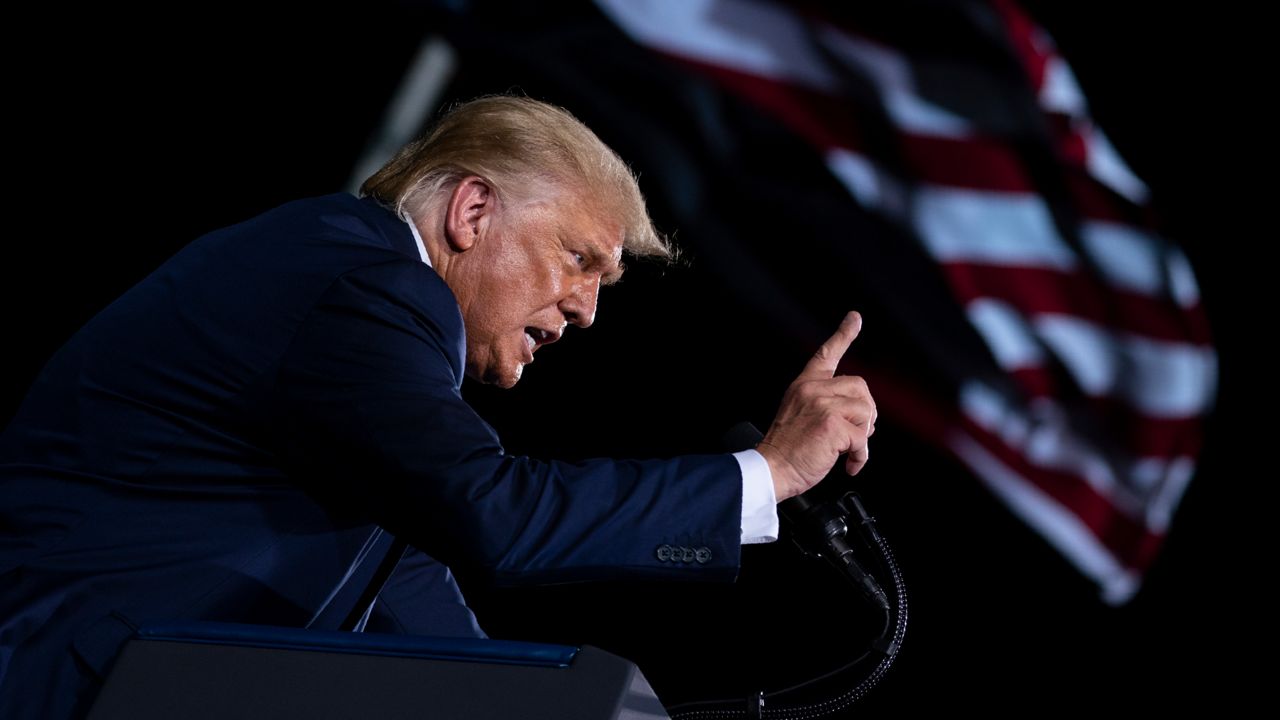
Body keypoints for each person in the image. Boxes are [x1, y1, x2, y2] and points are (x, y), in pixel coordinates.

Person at [0, 95, 876, 718]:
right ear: (473, 208)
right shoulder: (367, 281)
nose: (586, 309)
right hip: (59, 681)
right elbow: (496, 515)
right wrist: (764, 475)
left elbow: (431, 632)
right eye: (578, 259)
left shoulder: (363, 372)